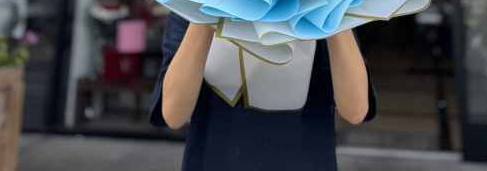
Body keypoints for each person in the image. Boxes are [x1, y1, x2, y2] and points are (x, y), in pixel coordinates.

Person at [150, 12, 376, 171]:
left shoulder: (326, 8)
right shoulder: (190, 1)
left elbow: (355, 110)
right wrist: (206, 5)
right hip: (215, 158)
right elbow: (174, 114)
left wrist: (333, 4)